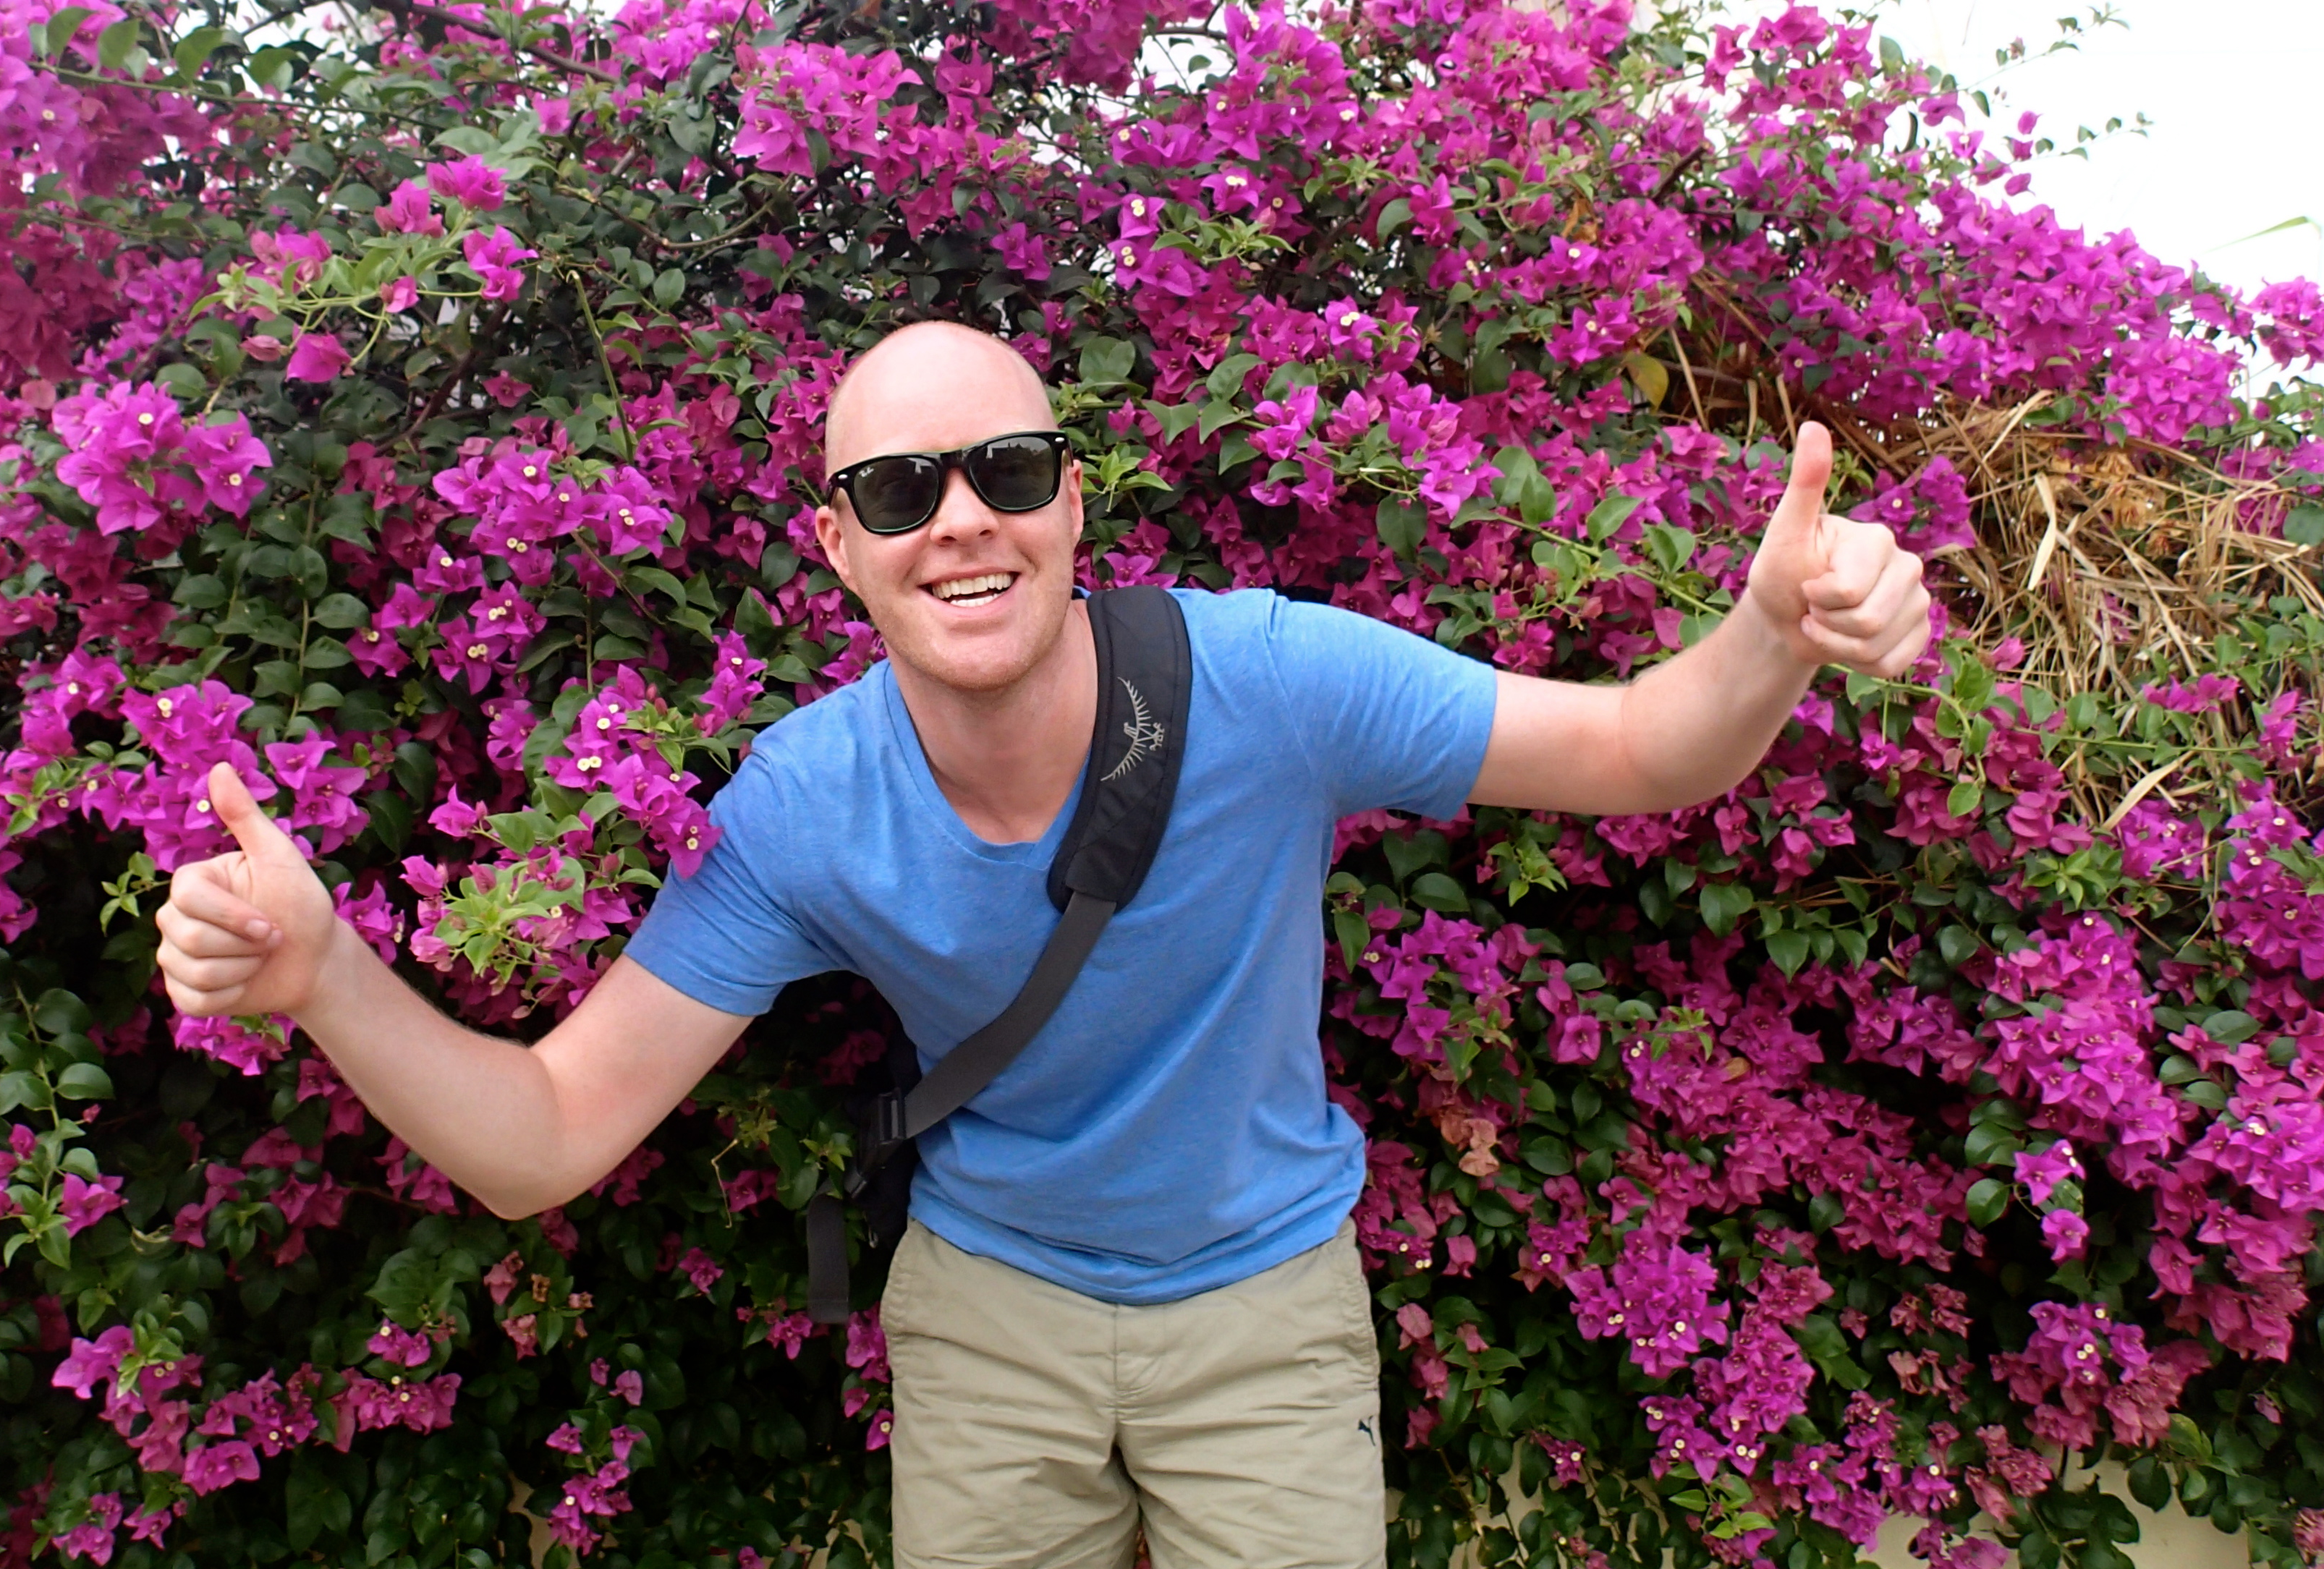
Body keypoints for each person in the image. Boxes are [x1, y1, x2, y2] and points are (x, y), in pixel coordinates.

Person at [153, 321, 1932, 1568]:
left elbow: (1634, 748)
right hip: (992, 1309)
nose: (961, 518)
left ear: (1073, 500)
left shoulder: (1270, 681)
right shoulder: (805, 805)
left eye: (1005, 468)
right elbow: (545, 1134)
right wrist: (324, 977)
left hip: (1262, 1302)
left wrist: (1772, 628)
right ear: (836, 544)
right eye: (898, 488)